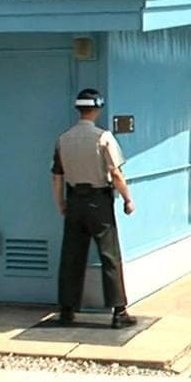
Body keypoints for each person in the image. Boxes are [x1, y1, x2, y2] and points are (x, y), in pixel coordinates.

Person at [50, 89, 138, 329]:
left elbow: (57, 176)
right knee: (110, 255)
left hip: (74, 201)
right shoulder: (104, 138)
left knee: (71, 256)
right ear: (97, 108)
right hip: (99, 201)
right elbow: (115, 173)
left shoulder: (63, 139)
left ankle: (67, 310)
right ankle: (119, 311)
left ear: (78, 109)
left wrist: (61, 203)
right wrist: (128, 199)